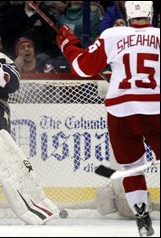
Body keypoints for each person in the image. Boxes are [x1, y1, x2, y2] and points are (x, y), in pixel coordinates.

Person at [55, 1, 159, 236]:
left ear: (128, 14)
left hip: (121, 111)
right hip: (156, 109)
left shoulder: (113, 35)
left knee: (132, 167)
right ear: (151, 13)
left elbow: (82, 68)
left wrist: (68, 44)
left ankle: (142, 219)